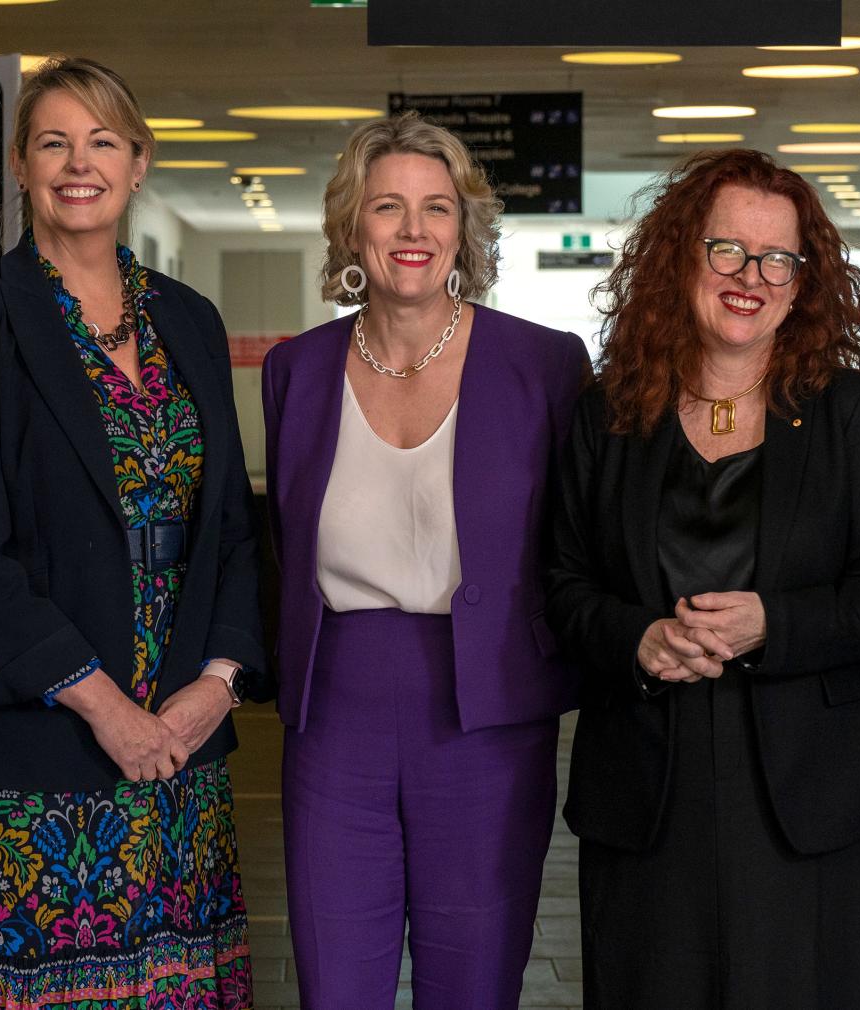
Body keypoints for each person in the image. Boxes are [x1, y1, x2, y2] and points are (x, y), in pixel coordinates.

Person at [0, 56, 264, 1009]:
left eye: (102, 141)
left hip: (180, 757)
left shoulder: (188, 319)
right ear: (20, 165)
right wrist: (110, 712)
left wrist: (215, 690)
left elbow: (228, 524)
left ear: (139, 163)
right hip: (36, 760)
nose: (78, 162)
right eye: (53, 142)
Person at [546, 147, 860, 1008]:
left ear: (803, 280)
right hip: (646, 784)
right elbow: (561, 583)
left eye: (778, 257)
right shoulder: (607, 413)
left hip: (805, 790)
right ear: (681, 258)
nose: (752, 275)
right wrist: (637, 637)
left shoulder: (848, 411)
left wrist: (770, 624)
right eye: (728, 251)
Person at [261, 112, 588, 1008]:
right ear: (351, 227)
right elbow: (282, 548)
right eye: (388, 207)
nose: (413, 231)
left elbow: (579, 540)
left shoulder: (546, 365)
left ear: (464, 230)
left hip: (487, 711)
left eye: (436, 209)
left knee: (474, 981)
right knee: (337, 979)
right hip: (336, 711)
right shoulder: (298, 369)